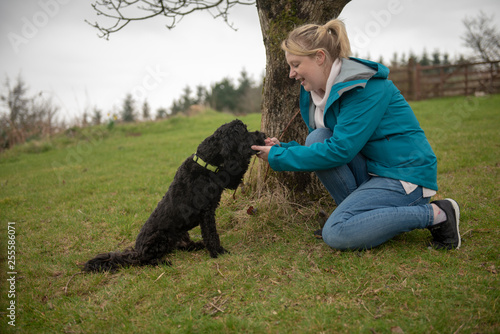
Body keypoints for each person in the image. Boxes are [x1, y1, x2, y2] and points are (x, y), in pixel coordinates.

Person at [251, 19, 461, 251]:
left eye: (296, 64)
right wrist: (283, 149)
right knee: (317, 138)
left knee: (336, 233)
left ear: (319, 57)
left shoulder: (364, 88)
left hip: (404, 178)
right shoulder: (321, 94)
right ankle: (361, 220)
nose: (291, 74)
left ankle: (437, 214)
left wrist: (277, 157)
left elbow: (340, 151)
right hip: (374, 171)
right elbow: (326, 146)